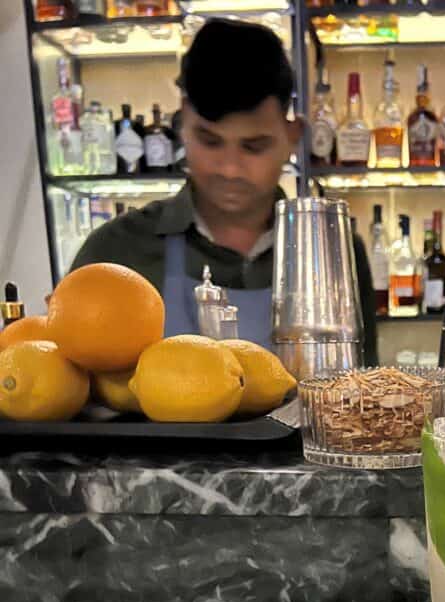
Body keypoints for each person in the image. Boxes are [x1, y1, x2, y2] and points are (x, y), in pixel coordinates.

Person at [71, 19, 377, 362]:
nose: (230, 168)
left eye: (254, 146)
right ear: (183, 124)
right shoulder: (116, 252)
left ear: (293, 136)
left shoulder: (335, 251)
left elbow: (365, 397)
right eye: (210, 141)